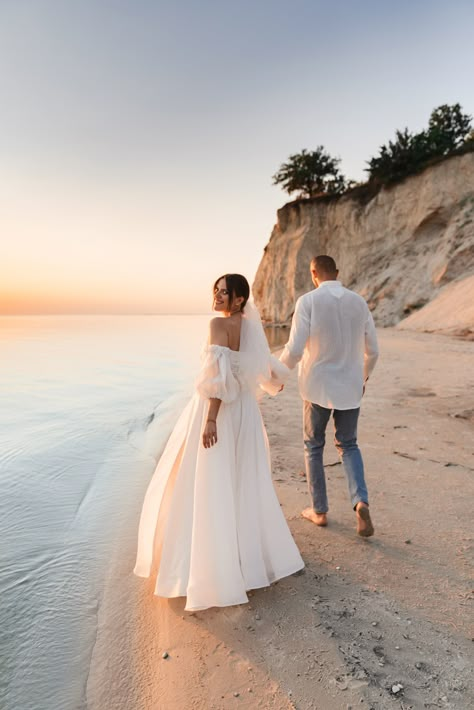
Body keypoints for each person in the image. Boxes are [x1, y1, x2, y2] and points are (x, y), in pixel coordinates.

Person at [134, 274, 304, 611]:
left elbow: (217, 380)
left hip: (220, 412)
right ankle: (245, 562)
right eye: (216, 290)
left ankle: (211, 568)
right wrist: (273, 382)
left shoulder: (217, 325)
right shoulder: (252, 327)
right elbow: (266, 367)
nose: (217, 296)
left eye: (224, 292)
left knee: (209, 484)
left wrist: (211, 419)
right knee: (241, 482)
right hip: (245, 413)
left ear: (240, 299)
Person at [280, 255, 379, 537]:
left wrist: (275, 375)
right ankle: (360, 501)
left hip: (317, 386)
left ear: (313, 274)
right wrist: (363, 378)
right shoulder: (358, 302)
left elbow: (295, 349)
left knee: (313, 446)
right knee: (348, 445)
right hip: (350, 386)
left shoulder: (308, 301)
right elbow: (373, 351)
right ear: (337, 272)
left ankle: (319, 511)